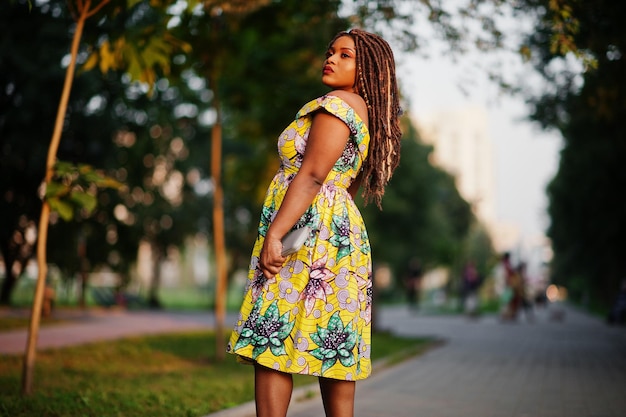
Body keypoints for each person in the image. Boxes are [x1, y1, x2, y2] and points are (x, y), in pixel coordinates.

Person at [227, 28, 402, 417]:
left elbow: (311, 176)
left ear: (367, 69)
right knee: (332, 349)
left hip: (302, 234)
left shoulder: (336, 105)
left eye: (345, 56)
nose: (332, 59)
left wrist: (276, 234)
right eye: (330, 52)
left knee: (270, 341)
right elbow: (346, 186)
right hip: (339, 236)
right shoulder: (364, 114)